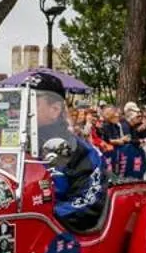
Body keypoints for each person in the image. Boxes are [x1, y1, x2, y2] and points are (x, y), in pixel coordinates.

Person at [27, 73, 105, 233]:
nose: (21, 107)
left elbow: (89, 201)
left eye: (30, 100)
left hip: (54, 234)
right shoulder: (8, 145)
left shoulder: (79, 150)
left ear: (55, 109)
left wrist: (42, 217)